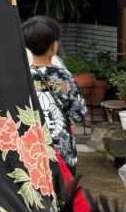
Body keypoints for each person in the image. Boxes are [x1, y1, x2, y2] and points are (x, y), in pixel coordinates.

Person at [24, 16, 88, 173]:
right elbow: (78, 112)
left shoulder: (20, 76)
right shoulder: (63, 75)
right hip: (61, 149)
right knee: (64, 187)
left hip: (31, 149)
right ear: (54, 46)